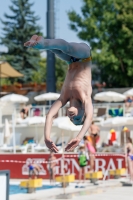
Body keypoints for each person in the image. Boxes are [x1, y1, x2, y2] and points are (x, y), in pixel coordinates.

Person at [24, 35, 93, 152]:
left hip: (71, 60)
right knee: (67, 47)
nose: (72, 118)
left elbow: (50, 115)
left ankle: (38, 41)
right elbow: (89, 118)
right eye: (77, 119)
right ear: (83, 111)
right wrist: (78, 137)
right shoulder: (85, 97)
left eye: (71, 120)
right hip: (84, 56)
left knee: (54, 50)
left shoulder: (64, 98)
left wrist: (46, 137)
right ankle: (42, 42)